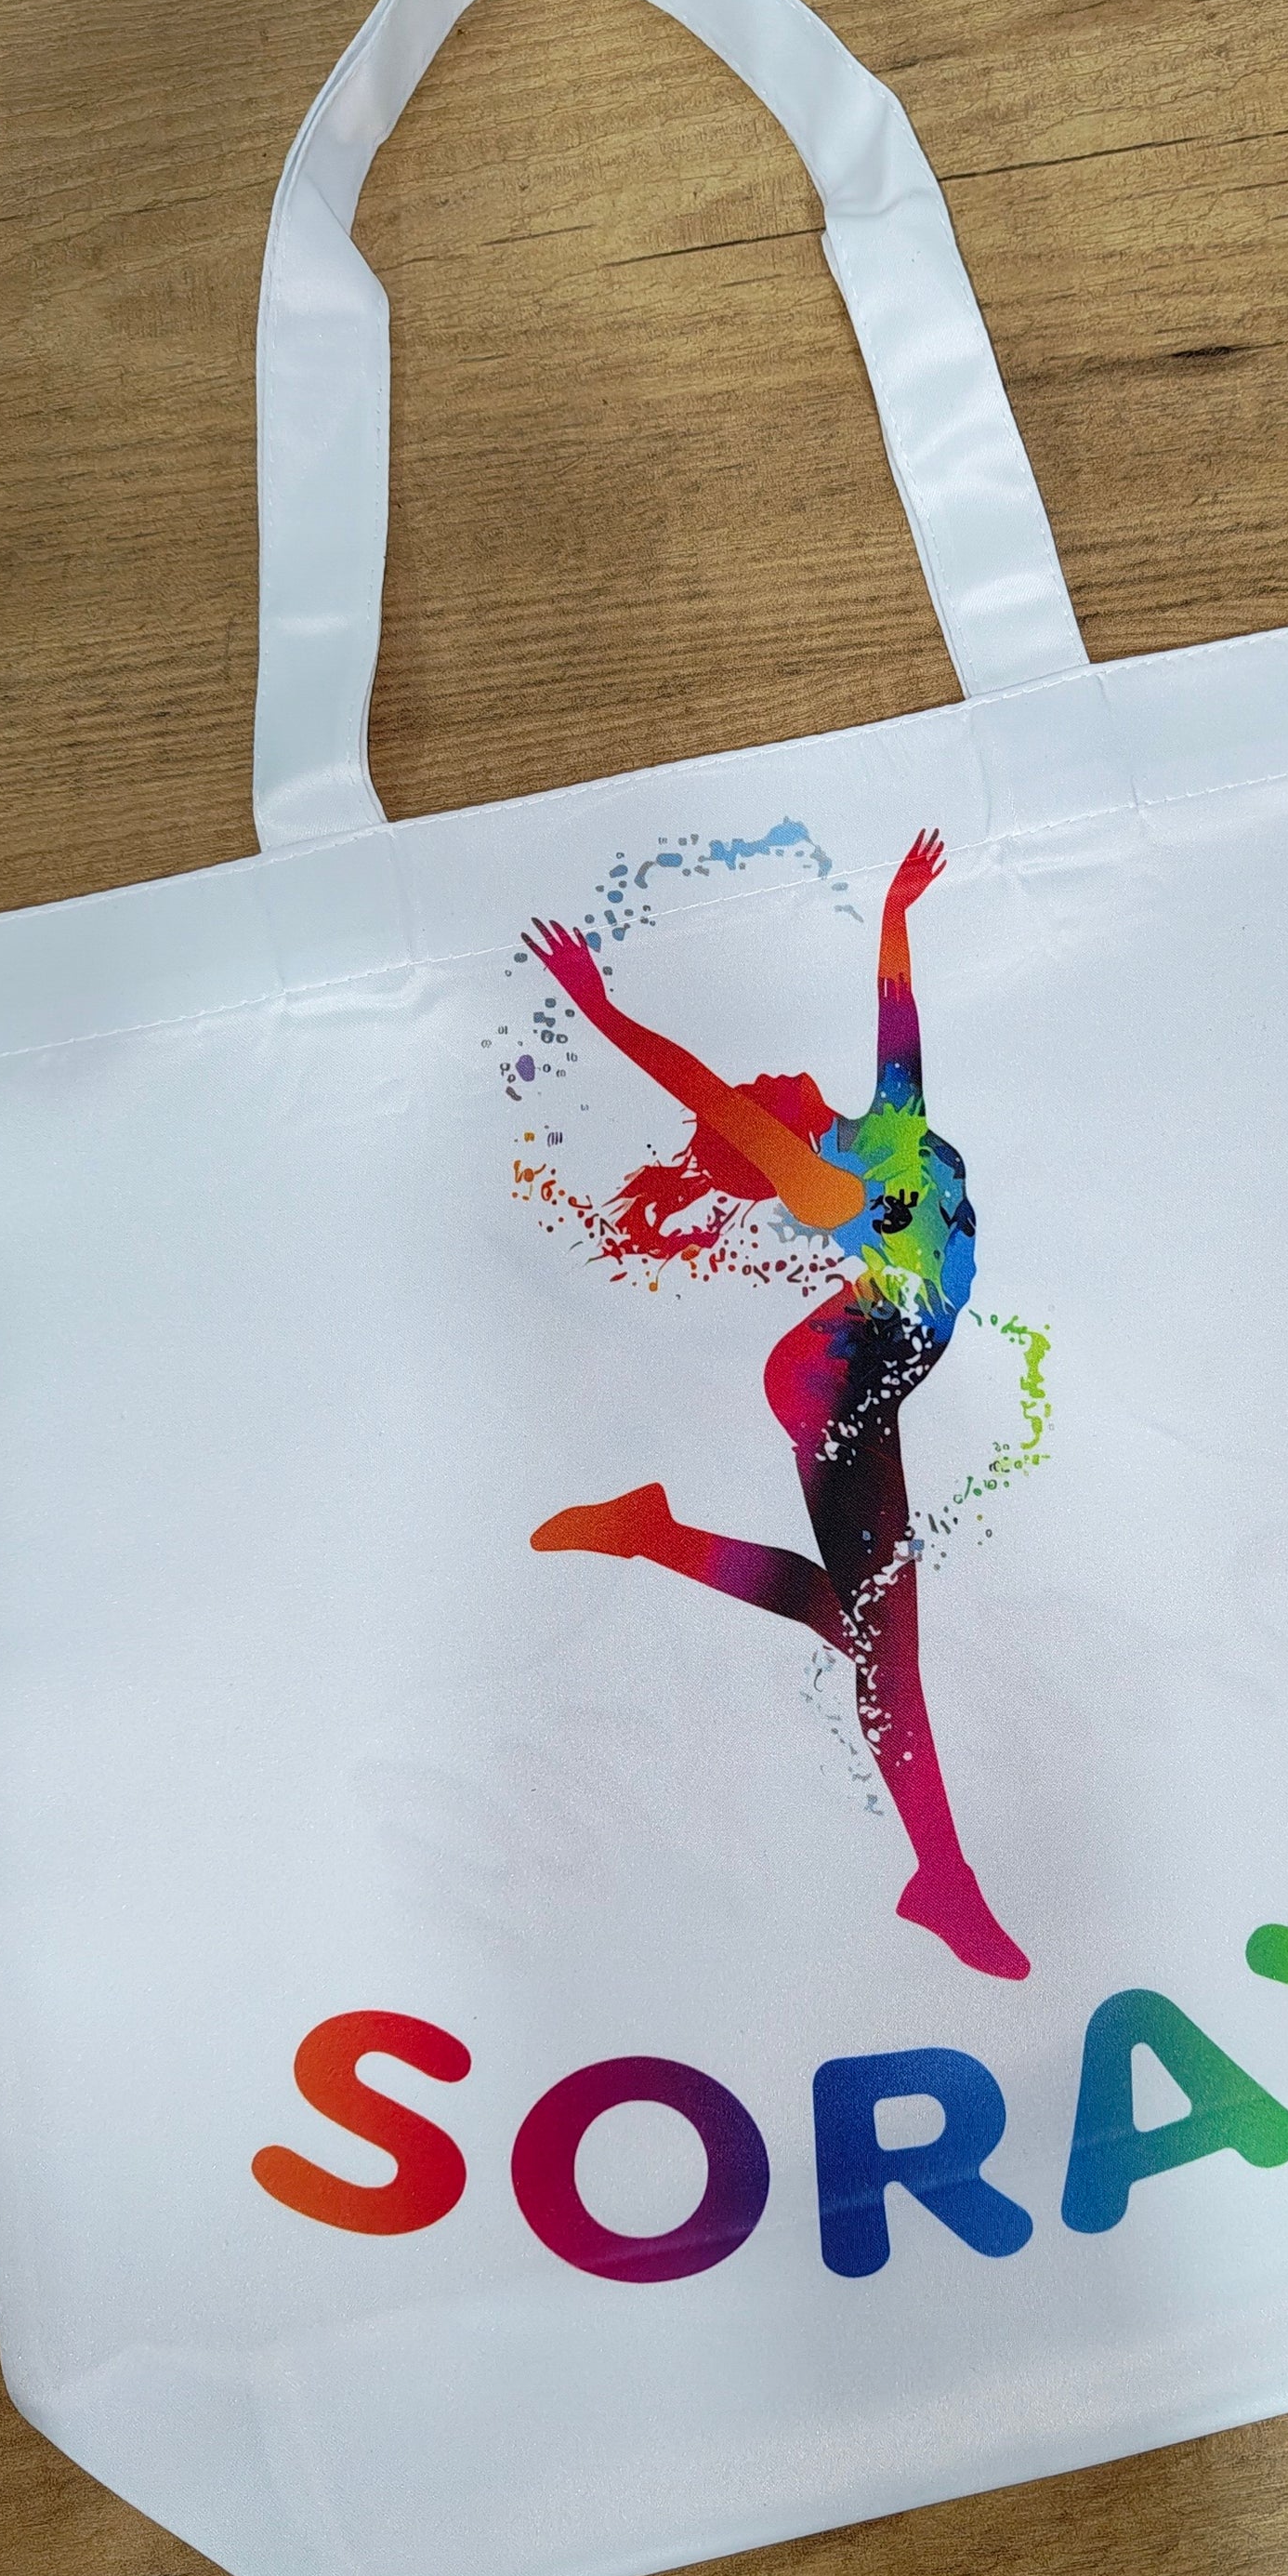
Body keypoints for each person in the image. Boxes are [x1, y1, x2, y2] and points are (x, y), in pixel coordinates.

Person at [522, 830, 1030, 1982]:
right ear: (770, 1145)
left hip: (852, 1373)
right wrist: (603, 1015)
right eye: (754, 1106)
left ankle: (653, 1533)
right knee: (885, 1654)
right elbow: (703, 1089)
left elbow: (897, 1020)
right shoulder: (823, 1180)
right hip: (835, 1385)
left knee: (858, 1630)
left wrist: (894, 914)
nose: (762, 1082)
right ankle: (941, 1878)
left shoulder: (886, 1122)